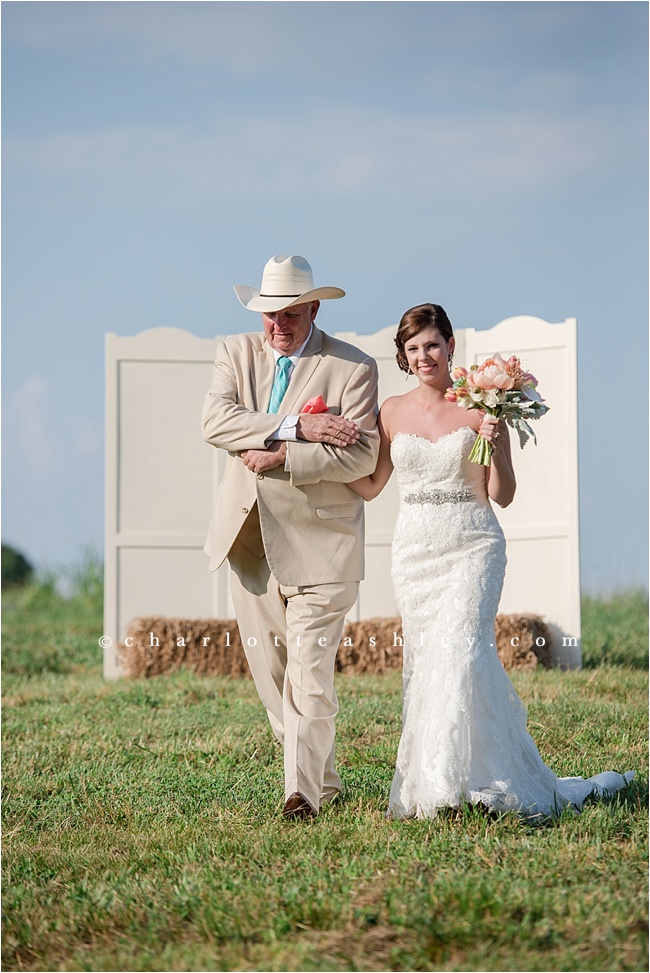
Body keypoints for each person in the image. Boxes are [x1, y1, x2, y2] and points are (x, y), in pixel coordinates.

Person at [348, 302, 633, 819]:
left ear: (450, 346)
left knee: (461, 651)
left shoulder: (481, 405)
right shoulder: (389, 411)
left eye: (432, 344)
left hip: (473, 543)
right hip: (414, 551)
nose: (423, 356)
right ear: (403, 356)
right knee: (428, 661)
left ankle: (464, 786)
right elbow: (370, 487)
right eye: (412, 349)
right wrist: (317, 466)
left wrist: (497, 444)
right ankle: (439, 782)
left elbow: (503, 494)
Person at [202, 254, 380, 819]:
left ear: (313, 308)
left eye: (291, 313)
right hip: (248, 541)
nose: (279, 324)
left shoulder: (352, 366)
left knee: (309, 673)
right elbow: (216, 423)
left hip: (322, 545)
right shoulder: (234, 353)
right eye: (269, 314)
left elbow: (360, 453)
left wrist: (279, 456)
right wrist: (297, 427)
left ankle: (300, 795)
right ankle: (323, 782)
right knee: (274, 676)